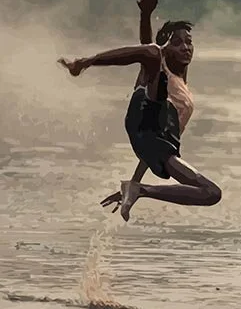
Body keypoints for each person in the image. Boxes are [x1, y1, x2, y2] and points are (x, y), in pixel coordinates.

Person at [58, 12, 220, 223]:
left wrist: (132, 186)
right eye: (177, 42)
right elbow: (148, 49)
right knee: (151, 55)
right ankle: (83, 63)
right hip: (144, 113)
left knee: (211, 193)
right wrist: (145, 15)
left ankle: (139, 190)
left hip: (157, 140)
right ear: (166, 48)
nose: (185, 47)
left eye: (189, 42)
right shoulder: (158, 64)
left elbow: (151, 150)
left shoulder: (181, 83)